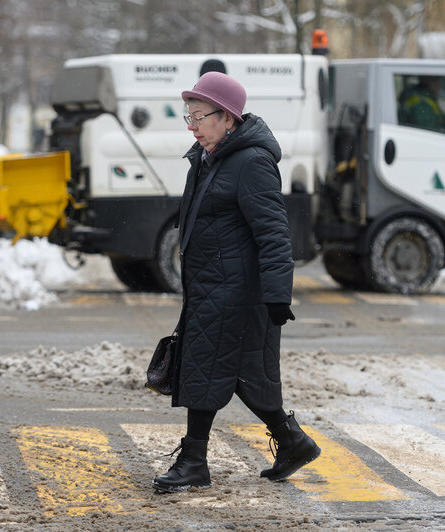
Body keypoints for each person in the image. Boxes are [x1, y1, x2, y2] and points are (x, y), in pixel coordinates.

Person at [153, 72, 321, 493]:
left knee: (208, 372)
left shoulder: (251, 163)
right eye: (187, 116)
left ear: (227, 118)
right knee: (239, 375)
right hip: (212, 287)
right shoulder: (207, 159)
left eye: (198, 116)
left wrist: (278, 295)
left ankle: (194, 462)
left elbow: (274, 234)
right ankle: (292, 441)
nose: (191, 125)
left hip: (238, 293)